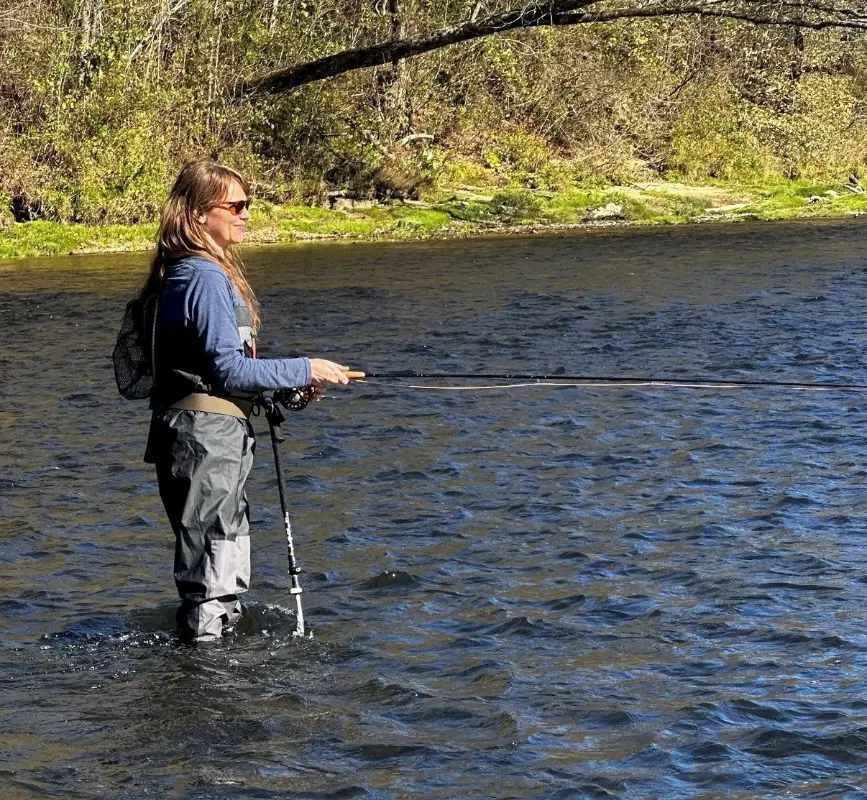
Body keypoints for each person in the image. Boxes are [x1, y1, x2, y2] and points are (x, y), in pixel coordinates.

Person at [138, 160, 349, 643]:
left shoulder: (179, 272)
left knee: (215, 560)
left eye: (248, 204)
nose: (246, 214)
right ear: (196, 215)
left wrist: (288, 390)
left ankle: (208, 663)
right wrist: (304, 366)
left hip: (199, 434)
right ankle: (206, 674)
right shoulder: (203, 277)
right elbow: (227, 370)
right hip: (206, 441)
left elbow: (213, 371)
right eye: (235, 205)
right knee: (212, 568)